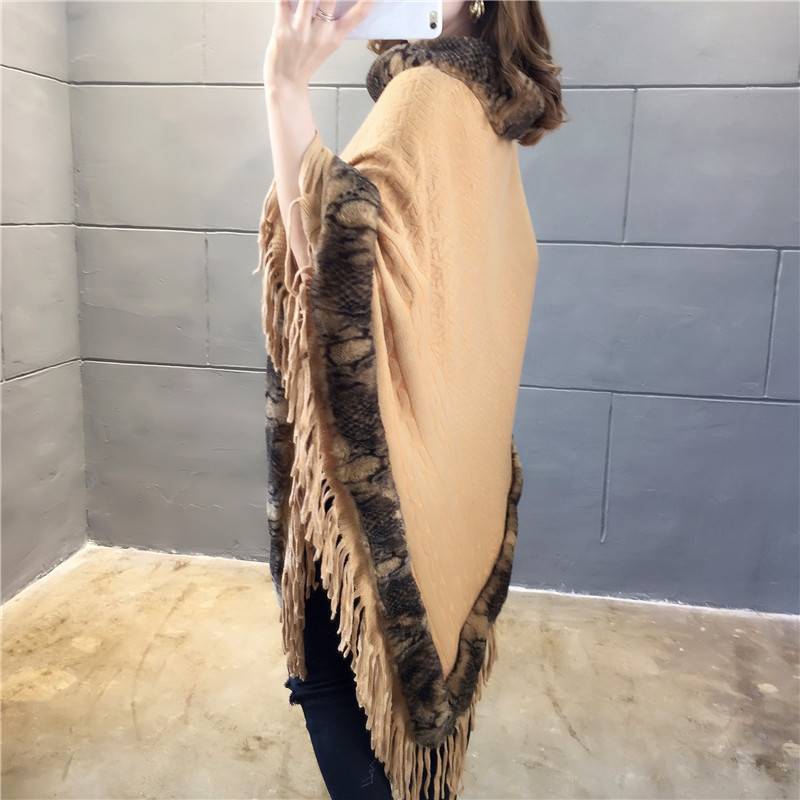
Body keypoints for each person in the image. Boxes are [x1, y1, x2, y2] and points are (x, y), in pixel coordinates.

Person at [257, 2, 567, 798]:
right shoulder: (484, 105)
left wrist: (283, 89)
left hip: (379, 474)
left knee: (327, 672)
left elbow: (331, 261)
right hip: (450, 468)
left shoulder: (424, 94)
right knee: (400, 696)